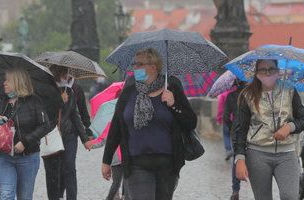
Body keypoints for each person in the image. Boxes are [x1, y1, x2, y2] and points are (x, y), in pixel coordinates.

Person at [102, 48, 198, 200]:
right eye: (134, 64)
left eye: (139, 64)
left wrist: (173, 104)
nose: (135, 67)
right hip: (136, 163)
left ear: (153, 67)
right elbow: (116, 127)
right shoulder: (129, 91)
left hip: (167, 165)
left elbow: (190, 122)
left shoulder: (171, 87)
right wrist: (106, 161)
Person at [234, 59, 304, 200]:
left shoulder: (289, 90)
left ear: (278, 71)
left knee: (290, 196)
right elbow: (240, 130)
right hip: (257, 154)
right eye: (263, 69)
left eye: (271, 69)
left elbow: (303, 119)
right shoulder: (247, 95)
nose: (267, 72)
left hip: (286, 154)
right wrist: (240, 159)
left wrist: (289, 127)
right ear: (256, 73)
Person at [0, 68, 50, 200]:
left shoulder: (34, 101)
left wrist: (25, 142)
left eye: (8, 80)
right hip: (4, 157)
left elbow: (45, 126)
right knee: (6, 196)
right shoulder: (0, 100)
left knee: (24, 197)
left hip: (28, 157)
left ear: (17, 82)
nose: (4, 83)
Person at [44, 65, 94, 200]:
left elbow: (79, 114)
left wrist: (86, 135)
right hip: (52, 133)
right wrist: (60, 101)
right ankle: (57, 195)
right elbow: (44, 111)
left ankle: (71, 197)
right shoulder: (48, 87)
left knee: (69, 167)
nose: (68, 75)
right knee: (55, 169)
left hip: (70, 134)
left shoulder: (74, 89)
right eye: (65, 72)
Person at [224, 81, 245, 200]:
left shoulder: (231, 96)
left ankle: (235, 190)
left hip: (236, 132)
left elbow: (226, 117)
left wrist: (232, 126)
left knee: (237, 159)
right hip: (252, 131)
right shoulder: (251, 94)